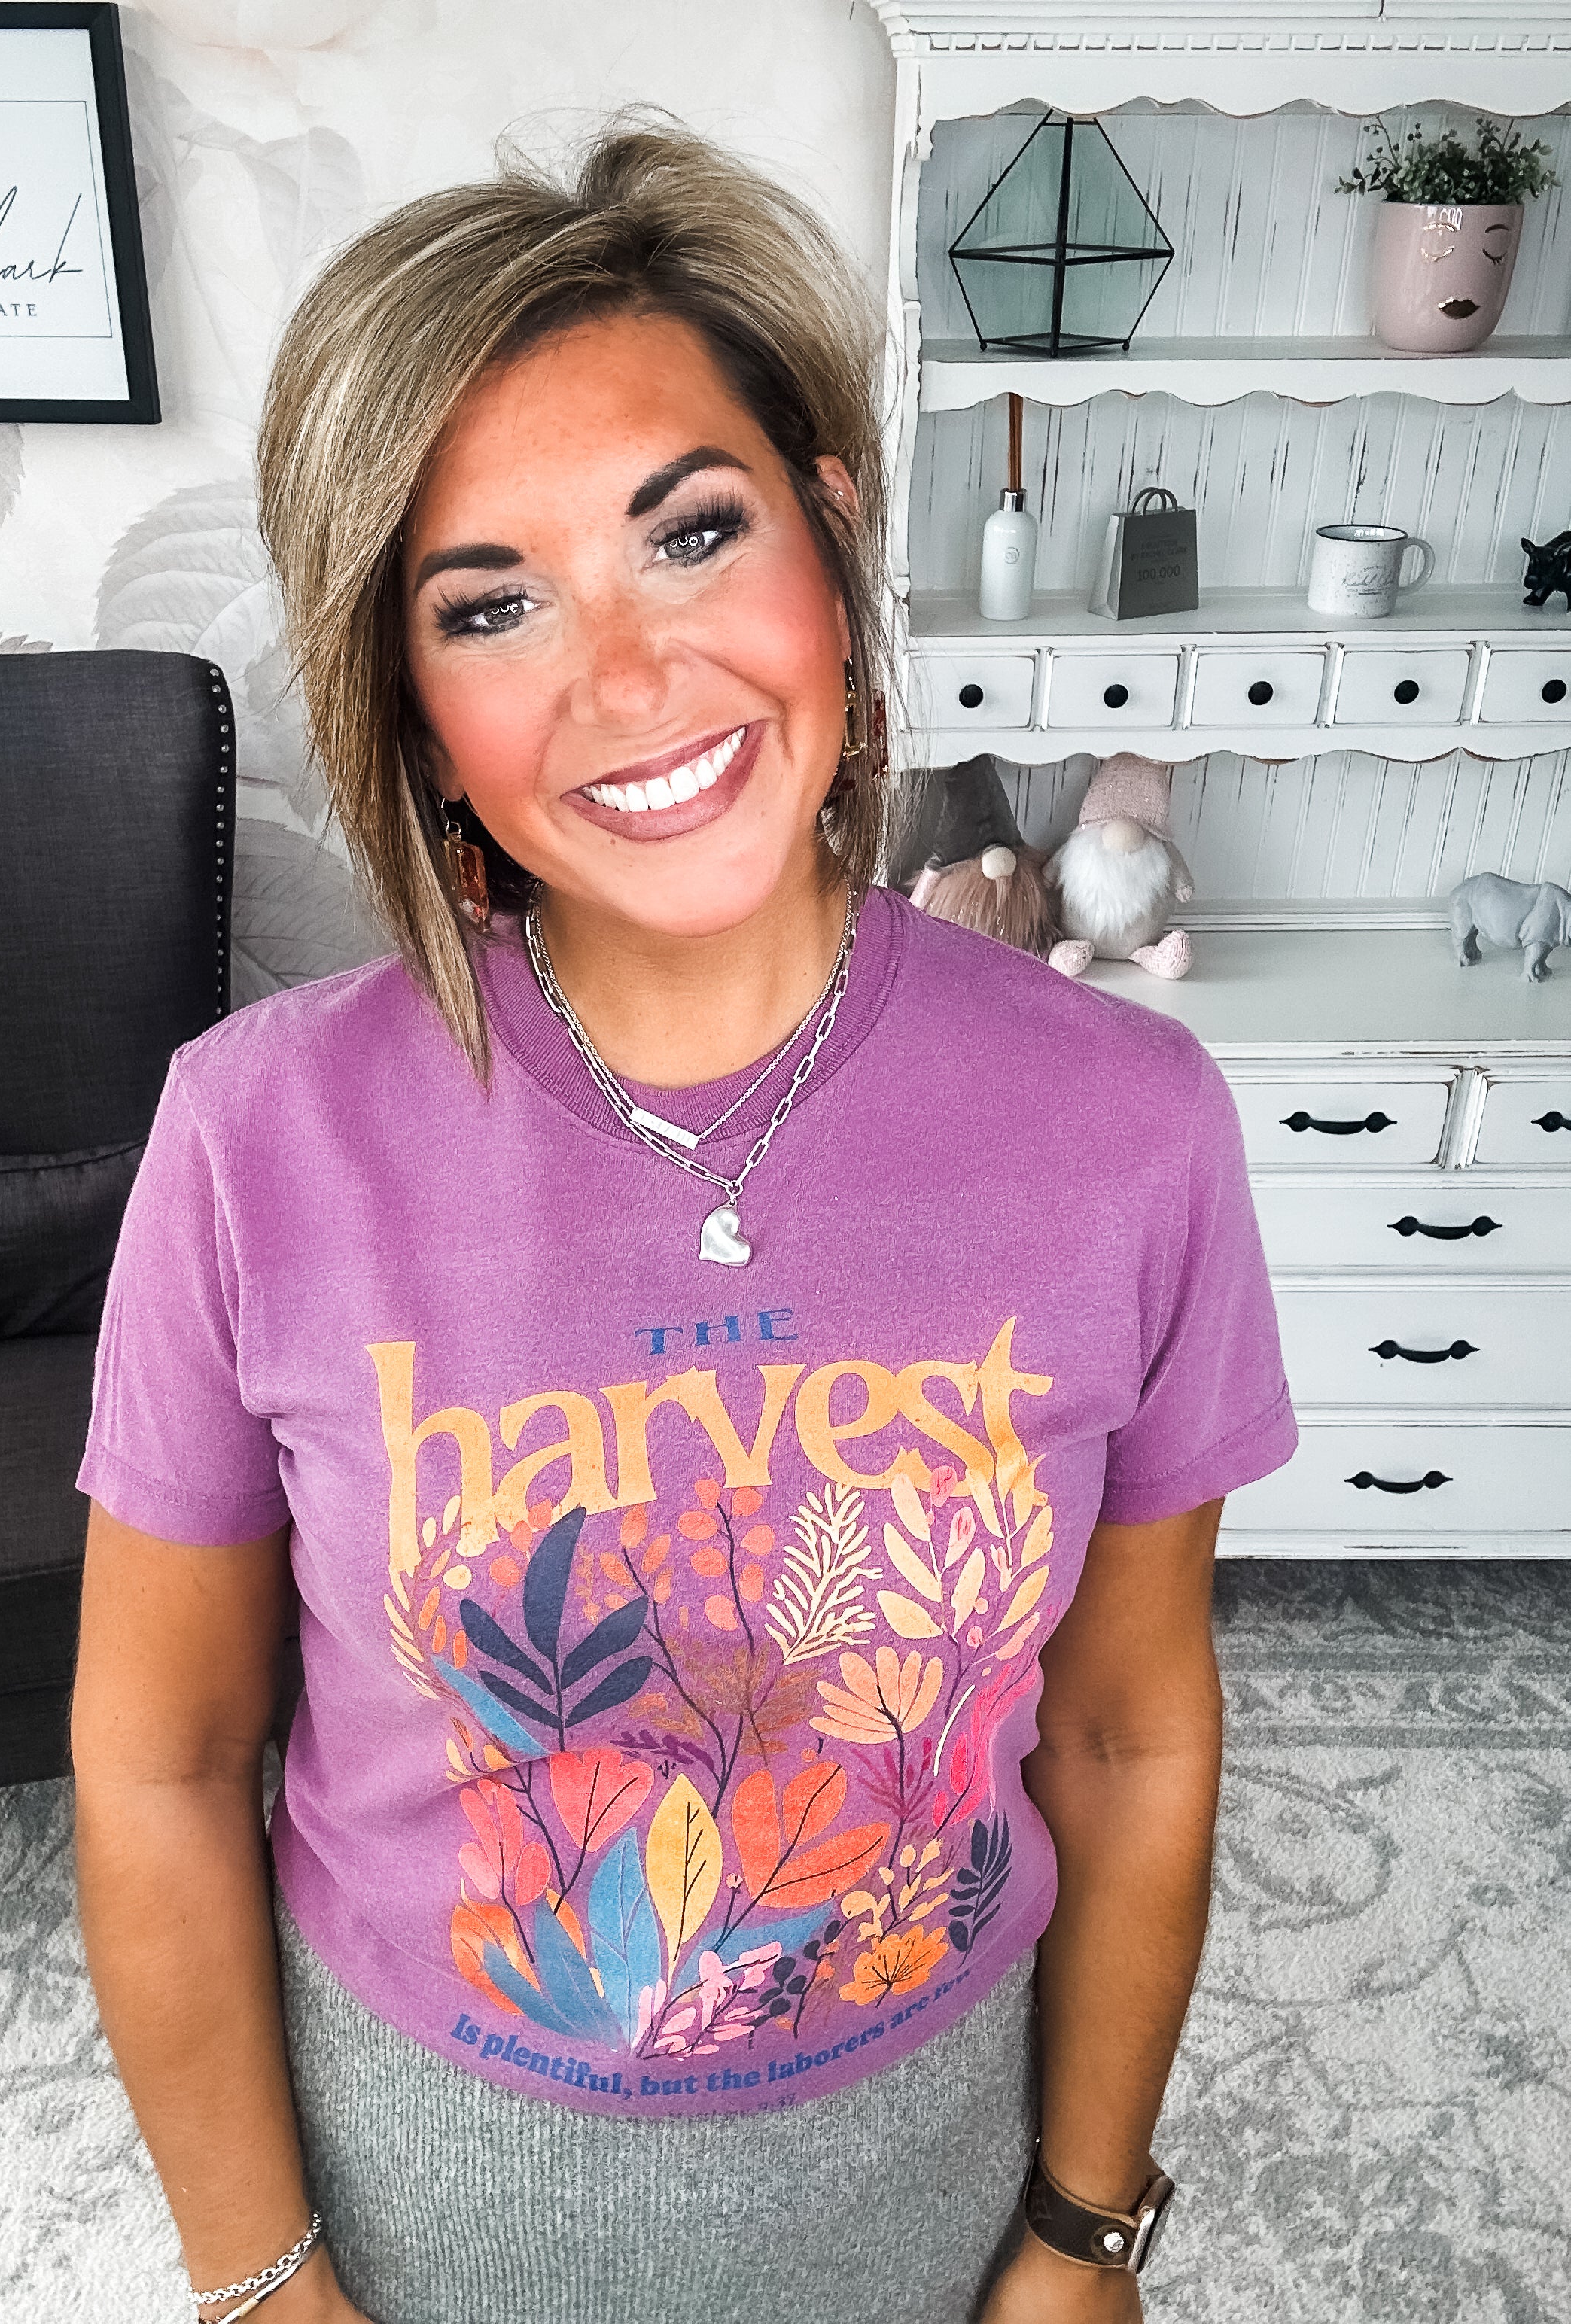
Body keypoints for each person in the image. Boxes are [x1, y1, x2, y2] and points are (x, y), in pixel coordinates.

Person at [70, 123, 1295, 2324]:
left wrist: (1086, 2228)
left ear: (827, 526)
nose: (622, 679)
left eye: (690, 533)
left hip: (932, 2164)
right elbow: (157, 1759)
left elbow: (1124, 1732)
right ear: (418, 712)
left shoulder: (1129, 1123)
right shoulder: (253, 1137)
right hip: (422, 2187)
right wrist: (261, 2289)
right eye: (491, 602)